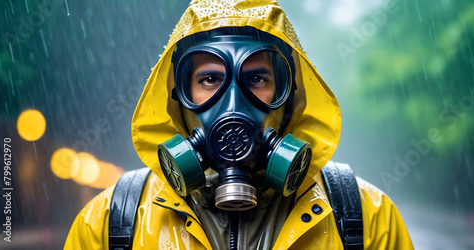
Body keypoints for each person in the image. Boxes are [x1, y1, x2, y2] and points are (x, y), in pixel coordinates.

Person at [65, 0, 414, 249]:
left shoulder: (363, 217)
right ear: (177, 98)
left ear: (291, 95)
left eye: (257, 78)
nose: (234, 104)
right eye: (210, 80)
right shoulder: (112, 224)